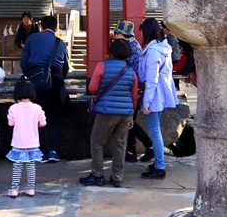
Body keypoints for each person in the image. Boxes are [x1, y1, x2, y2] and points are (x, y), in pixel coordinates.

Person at [80, 38, 138, 188]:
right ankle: (117, 178)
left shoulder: (102, 66)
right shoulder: (131, 71)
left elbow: (93, 88)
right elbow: (133, 95)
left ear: (112, 51)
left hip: (106, 111)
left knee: (97, 142)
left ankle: (97, 175)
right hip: (125, 113)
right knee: (120, 144)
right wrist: (131, 114)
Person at [19, 15, 69, 162]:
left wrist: (31, 76)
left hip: (37, 81)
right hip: (56, 82)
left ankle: (40, 151)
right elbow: (65, 66)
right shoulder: (61, 43)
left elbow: (24, 63)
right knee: (54, 117)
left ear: (41, 26)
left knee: (36, 117)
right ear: (56, 28)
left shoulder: (32, 39)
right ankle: (53, 151)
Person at [138, 18, 178, 179]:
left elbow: (151, 79)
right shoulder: (164, 48)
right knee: (156, 130)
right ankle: (157, 163)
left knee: (155, 131)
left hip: (153, 95)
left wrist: (146, 102)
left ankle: (160, 166)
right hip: (160, 94)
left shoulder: (154, 51)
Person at [113, 20, 153, 163]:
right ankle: (131, 152)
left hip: (132, 89)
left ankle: (150, 146)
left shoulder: (129, 48)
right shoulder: (134, 44)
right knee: (129, 121)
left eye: (116, 33)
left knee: (128, 121)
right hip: (135, 88)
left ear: (121, 34)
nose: (114, 36)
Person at [7, 78, 47, 197]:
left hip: (18, 143)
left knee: (17, 167)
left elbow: (11, 123)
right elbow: (43, 123)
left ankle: (14, 189)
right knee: (31, 167)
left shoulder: (13, 108)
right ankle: (31, 189)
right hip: (32, 142)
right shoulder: (37, 108)